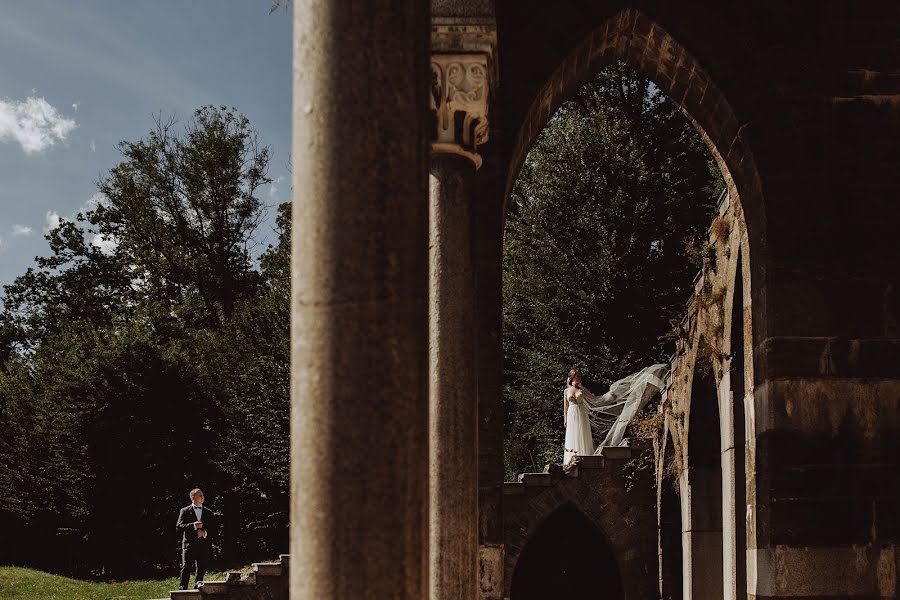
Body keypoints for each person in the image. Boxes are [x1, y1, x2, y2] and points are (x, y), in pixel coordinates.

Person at [176, 488, 216, 590]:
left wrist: (205, 532)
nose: (203, 497)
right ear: (193, 497)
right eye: (200, 495)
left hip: (203, 544)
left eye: (203, 495)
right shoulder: (184, 511)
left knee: (201, 567)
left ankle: (197, 590)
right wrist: (193, 526)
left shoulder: (208, 511)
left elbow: (214, 527)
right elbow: (179, 526)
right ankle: (182, 589)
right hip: (189, 544)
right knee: (186, 567)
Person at [563, 368, 599, 464]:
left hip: (581, 413)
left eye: (578, 376)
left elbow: (594, 399)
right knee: (572, 435)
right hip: (571, 414)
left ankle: (585, 459)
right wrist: (565, 419)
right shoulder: (567, 391)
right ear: (571, 378)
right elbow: (565, 406)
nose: (578, 378)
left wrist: (609, 397)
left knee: (582, 433)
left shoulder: (583, 390)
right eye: (575, 376)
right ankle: (572, 460)